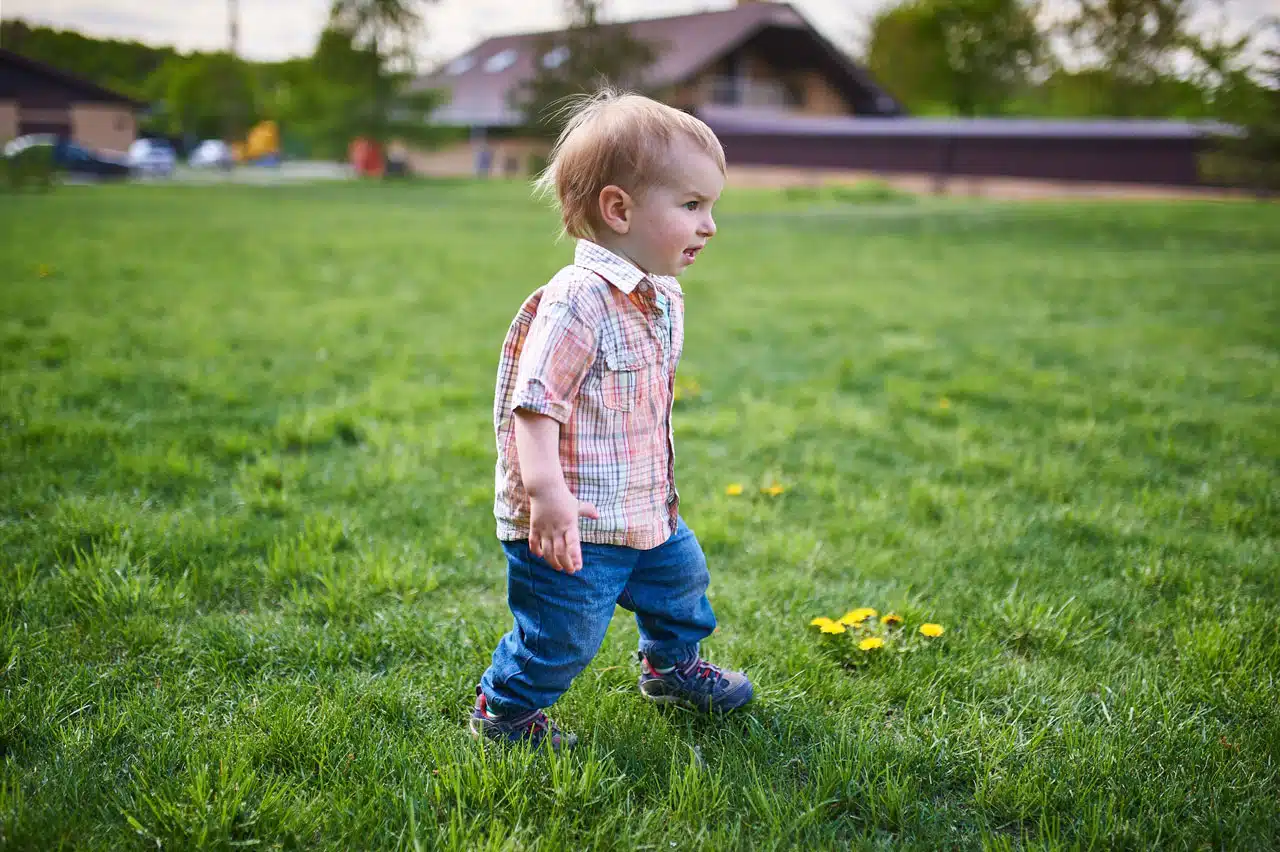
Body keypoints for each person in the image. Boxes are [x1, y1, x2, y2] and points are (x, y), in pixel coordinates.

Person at [470, 90, 754, 751]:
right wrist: (547, 497)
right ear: (619, 210)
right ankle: (505, 711)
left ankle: (671, 665)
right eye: (691, 206)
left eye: (711, 206)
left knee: (683, 583)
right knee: (561, 635)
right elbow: (535, 404)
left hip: (645, 506)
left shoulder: (659, 295)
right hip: (575, 521)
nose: (709, 225)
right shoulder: (578, 302)